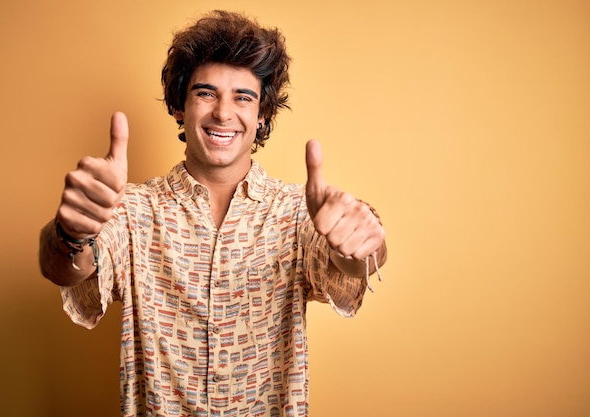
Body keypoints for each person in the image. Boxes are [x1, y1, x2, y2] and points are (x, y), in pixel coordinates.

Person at [39, 10, 387, 417]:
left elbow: (353, 266)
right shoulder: (132, 210)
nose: (224, 112)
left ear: (262, 117)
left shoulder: (297, 213)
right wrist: (70, 232)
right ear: (179, 107)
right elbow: (64, 269)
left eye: (244, 97)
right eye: (206, 93)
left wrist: (364, 244)